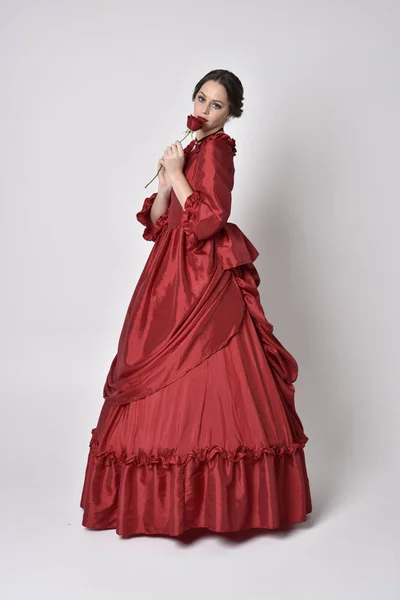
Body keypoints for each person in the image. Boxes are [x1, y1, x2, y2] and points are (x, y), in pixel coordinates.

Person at [80, 69, 312, 537]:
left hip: (205, 277)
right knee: (148, 359)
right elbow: (162, 222)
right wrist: (168, 178)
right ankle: (166, 503)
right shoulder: (192, 148)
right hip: (170, 270)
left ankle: (218, 504)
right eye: (201, 99)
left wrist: (176, 174)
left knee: (211, 373)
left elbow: (209, 218)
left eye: (217, 105)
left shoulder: (220, 149)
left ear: (232, 115)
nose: (205, 110)